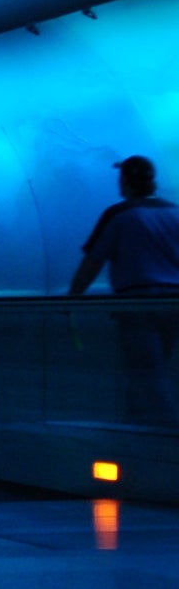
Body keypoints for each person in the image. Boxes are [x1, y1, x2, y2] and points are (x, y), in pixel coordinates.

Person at [70, 155, 179, 425]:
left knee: (144, 371)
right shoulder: (175, 213)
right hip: (173, 303)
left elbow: (93, 261)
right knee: (161, 366)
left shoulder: (119, 215)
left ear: (126, 181)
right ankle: (143, 423)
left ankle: (158, 430)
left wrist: (72, 298)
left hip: (137, 303)